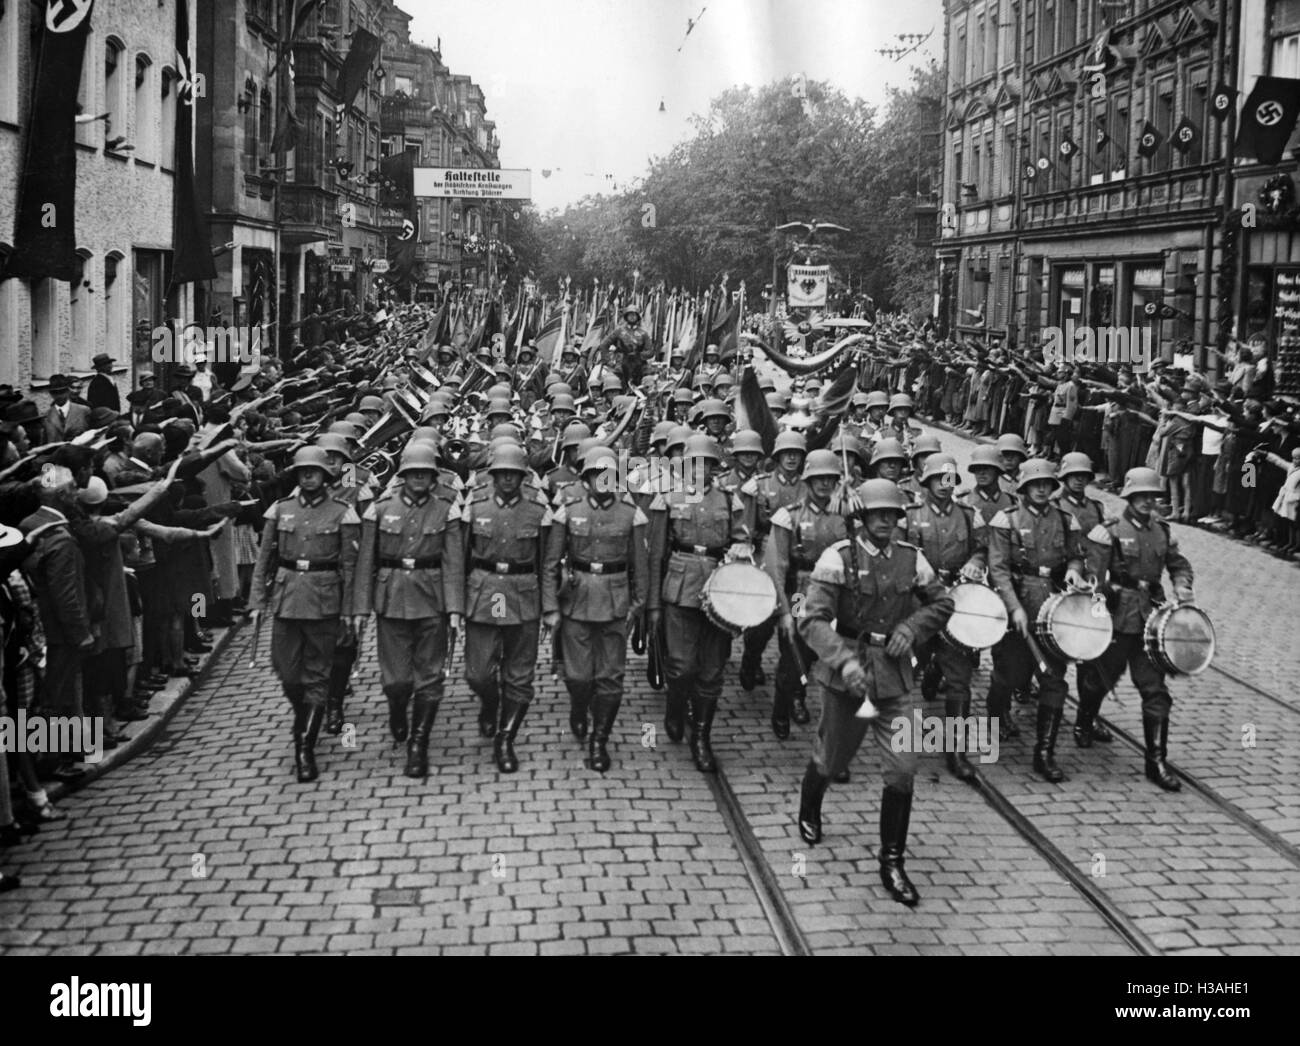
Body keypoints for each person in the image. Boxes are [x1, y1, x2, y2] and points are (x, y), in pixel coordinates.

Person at [795, 479, 954, 907]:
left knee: (903, 768)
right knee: (832, 756)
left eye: (893, 515)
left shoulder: (912, 559)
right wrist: (843, 661)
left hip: (895, 677)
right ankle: (810, 804)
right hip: (848, 673)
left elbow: (942, 604)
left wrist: (911, 629)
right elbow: (811, 621)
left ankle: (892, 861)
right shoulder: (838, 558)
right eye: (877, 514)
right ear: (861, 517)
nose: (886, 521)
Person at [248, 446, 361, 784]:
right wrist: (257, 601)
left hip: (325, 601)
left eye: (314, 471)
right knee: (287, 672)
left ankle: (304, 745)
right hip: (286, 600)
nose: (308, 476)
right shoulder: (280, 510)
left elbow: (351, 567)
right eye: (302, 471)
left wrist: (349, 612)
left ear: (326, 476)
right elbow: (263, 559)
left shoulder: (343, 512)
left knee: (317, 675)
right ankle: (308, 714)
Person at [1078, 467, 1195, 791]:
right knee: (1100, 679)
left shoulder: (1163, 531)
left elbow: (1178, 564)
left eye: (1153, 496)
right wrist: (1101, 606)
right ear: (1129, 497)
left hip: (1150, 624)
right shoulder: (1110, 531)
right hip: (1117, 619)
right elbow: (1094, 577)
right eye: (1141, 496)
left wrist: (1182, 586)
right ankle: (1085, 718)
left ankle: (1156, 760)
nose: (1147, 502)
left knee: (1155, 690)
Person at [444, 442, 556, 773]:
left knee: (519, 675)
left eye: (514, 474)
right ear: (491, 475)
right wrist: (456, 604)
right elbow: (459, 560)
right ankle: (490, 702)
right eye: (502, 473)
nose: (508, 480)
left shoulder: (539, 510)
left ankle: (505, 739)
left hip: (524, 595)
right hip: (487, 593)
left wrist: (549, 607)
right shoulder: (474, 507)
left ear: (524, 477)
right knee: (478, 672)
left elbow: (548, 562)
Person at [352, 443, 459, 779]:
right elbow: (365, 560)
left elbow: (453, 561)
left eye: (425, 473)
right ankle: (398, 708)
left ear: (433, 476)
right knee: (396, 680)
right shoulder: (380, 509)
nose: (419, 478)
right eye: (412, 473)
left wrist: (455, 608)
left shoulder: (447, 508)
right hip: (392, 597)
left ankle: (418, 743)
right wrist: (360, 607)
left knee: (429, 677)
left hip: (432, 597)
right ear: (402, 475)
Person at [645, 434, 751, 772]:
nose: (701, 469)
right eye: (695, 462)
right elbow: (656, 554)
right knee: (681, 665)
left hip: (719, 590)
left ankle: (701, 738)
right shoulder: (668, 497)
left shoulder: (729, 499)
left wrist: (741, 550)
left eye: (707, 463)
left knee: (712, 671)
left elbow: (741, 538)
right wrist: (652, 605)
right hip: (679, 588)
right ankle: (676, 708)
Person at [544, 444, 649, 772]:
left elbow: (640, 567)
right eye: (594, 475)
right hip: (576, 600)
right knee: (578, 677)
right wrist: (550, 607)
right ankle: (578, 710)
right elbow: (550, 563)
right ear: (585, 479)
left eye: (608, 476)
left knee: (610, 678)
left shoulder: (631, 514)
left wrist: (637, 605)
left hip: (615, 603)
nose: (601, 481)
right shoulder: (568, 510)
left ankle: (599, 739)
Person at [984, 459, 1088, 775]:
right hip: (1018, 602)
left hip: (1053, 609)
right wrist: (1013, 606)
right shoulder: (1007, 520)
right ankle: (996, 715)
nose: (1042, 489)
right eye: (1035, 484)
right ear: (1025, 487)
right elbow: (998, 569)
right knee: (1009, 675)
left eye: (1047, 484)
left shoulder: (1066, 520)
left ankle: (1044, 752)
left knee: (1054, 679)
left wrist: (1073, 572)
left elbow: (1076, 557)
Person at [902, 453, 988, 780]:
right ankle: (904, 744)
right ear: (925, 482)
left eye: (950, 478)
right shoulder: (908, 516)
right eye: (938, 478)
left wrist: (978, 561)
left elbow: (983, 548)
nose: (944, 484)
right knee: (907, 672)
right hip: (919, 602)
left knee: (960, 680)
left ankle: (955, 752)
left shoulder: (969, 515)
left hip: (957, 601)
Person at [763, 449, 847, 737]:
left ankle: (824, 723)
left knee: (826, 656)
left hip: (834, 594)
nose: (825, 484)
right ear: (808, 481)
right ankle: (782, 705)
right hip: (800, 591)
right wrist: (784, 611)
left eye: (831, 479)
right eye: (819, 479)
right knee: (794, 650)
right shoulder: (789, 517)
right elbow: (776, 566)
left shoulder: (844, 516)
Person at [42, 375, 91, 444]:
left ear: (68, 391)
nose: (59, 396)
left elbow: (91, 435)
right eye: (55, 393)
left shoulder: (84, 411)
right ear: (50, 394)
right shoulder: (47, 417)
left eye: (62, 392)